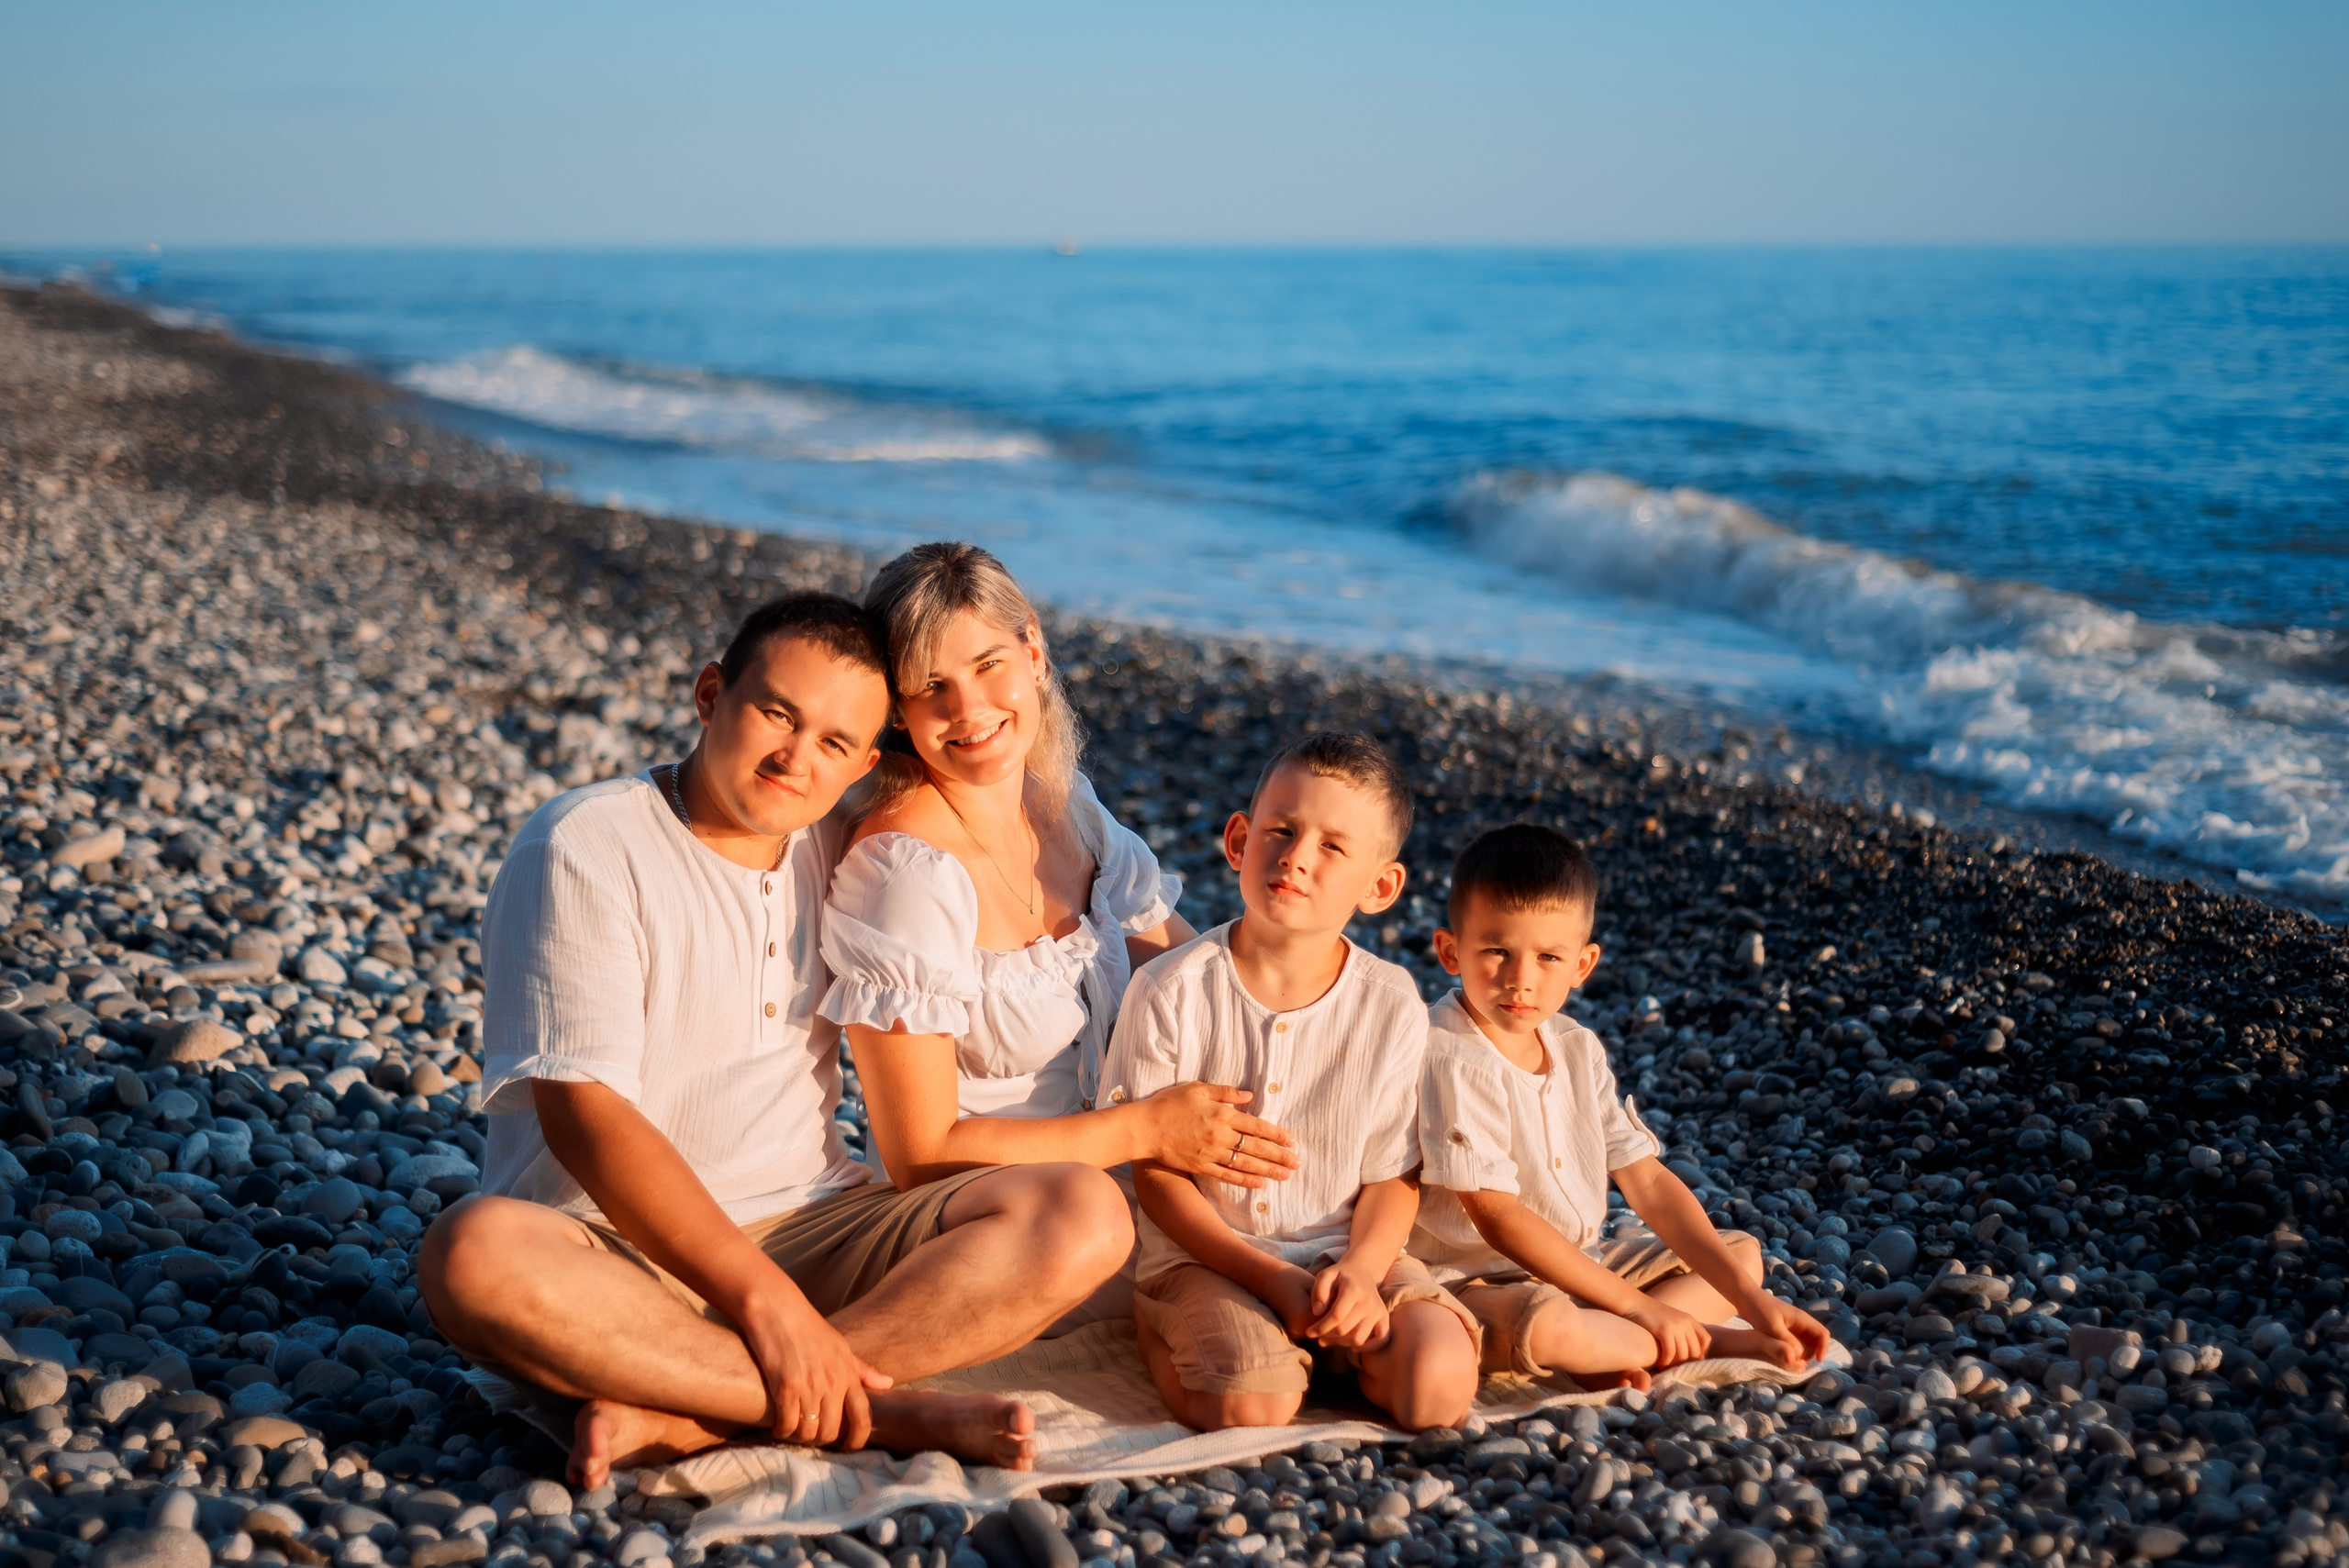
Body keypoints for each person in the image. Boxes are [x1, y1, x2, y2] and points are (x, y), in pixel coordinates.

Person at [417, 593, 1134, 1489]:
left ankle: (703, 1407)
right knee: (472, 1252)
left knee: (1081, 1211)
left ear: (865, 761)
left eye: (835, 743)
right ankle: (884, 1408)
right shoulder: (585, 843)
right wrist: (765, 1303)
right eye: (777, 714)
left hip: (816, 1220)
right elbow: (585, 1116)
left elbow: (1010, 852)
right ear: (710, 693)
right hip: (612, 1242)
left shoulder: (838, 845)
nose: (797, 758)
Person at [820, 544, 1301, 1292]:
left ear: (1034, 652)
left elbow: (1202, 980)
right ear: (899, 711)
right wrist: (1146, 1129)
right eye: (932, 686)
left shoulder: (1065, 805)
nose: (967, 708)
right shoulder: (904, 873)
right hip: (993, 1226)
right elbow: (920, 1154)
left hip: (1124, 1185)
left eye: (988, 664)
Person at [1100, 731, 1481, 1432]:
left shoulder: (1391, 1002)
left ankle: (1327, 1348)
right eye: (1281, 829)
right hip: (1210, 1257)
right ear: (1239, 840)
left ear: (1380, 886)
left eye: (1333, 845)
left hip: (1346, 1250)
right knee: (1251, 1405)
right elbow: (1155, 1176)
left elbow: (1393, 1174)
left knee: (1437, 1386)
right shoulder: (1169, 989)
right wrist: (1271, 1278)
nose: (1298, 856)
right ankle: (1166, 1331)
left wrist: (1361, 1272)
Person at [1411, 822, 1831, 1389]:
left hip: (1582, 1263)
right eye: (1496, 951)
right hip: (1475, 1280)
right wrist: (1639, 1306)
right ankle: (1700, 1340)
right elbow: (1498, 1217)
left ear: (1582, 966)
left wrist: (1754, 1303)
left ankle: (1624, 1345)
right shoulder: (1451, 1053)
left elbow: (1647, 1182)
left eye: (1548, 957)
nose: (1520, 980)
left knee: (1741, 1259)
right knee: (1553, 1328)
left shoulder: (1574, 1047)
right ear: (1450, 951)